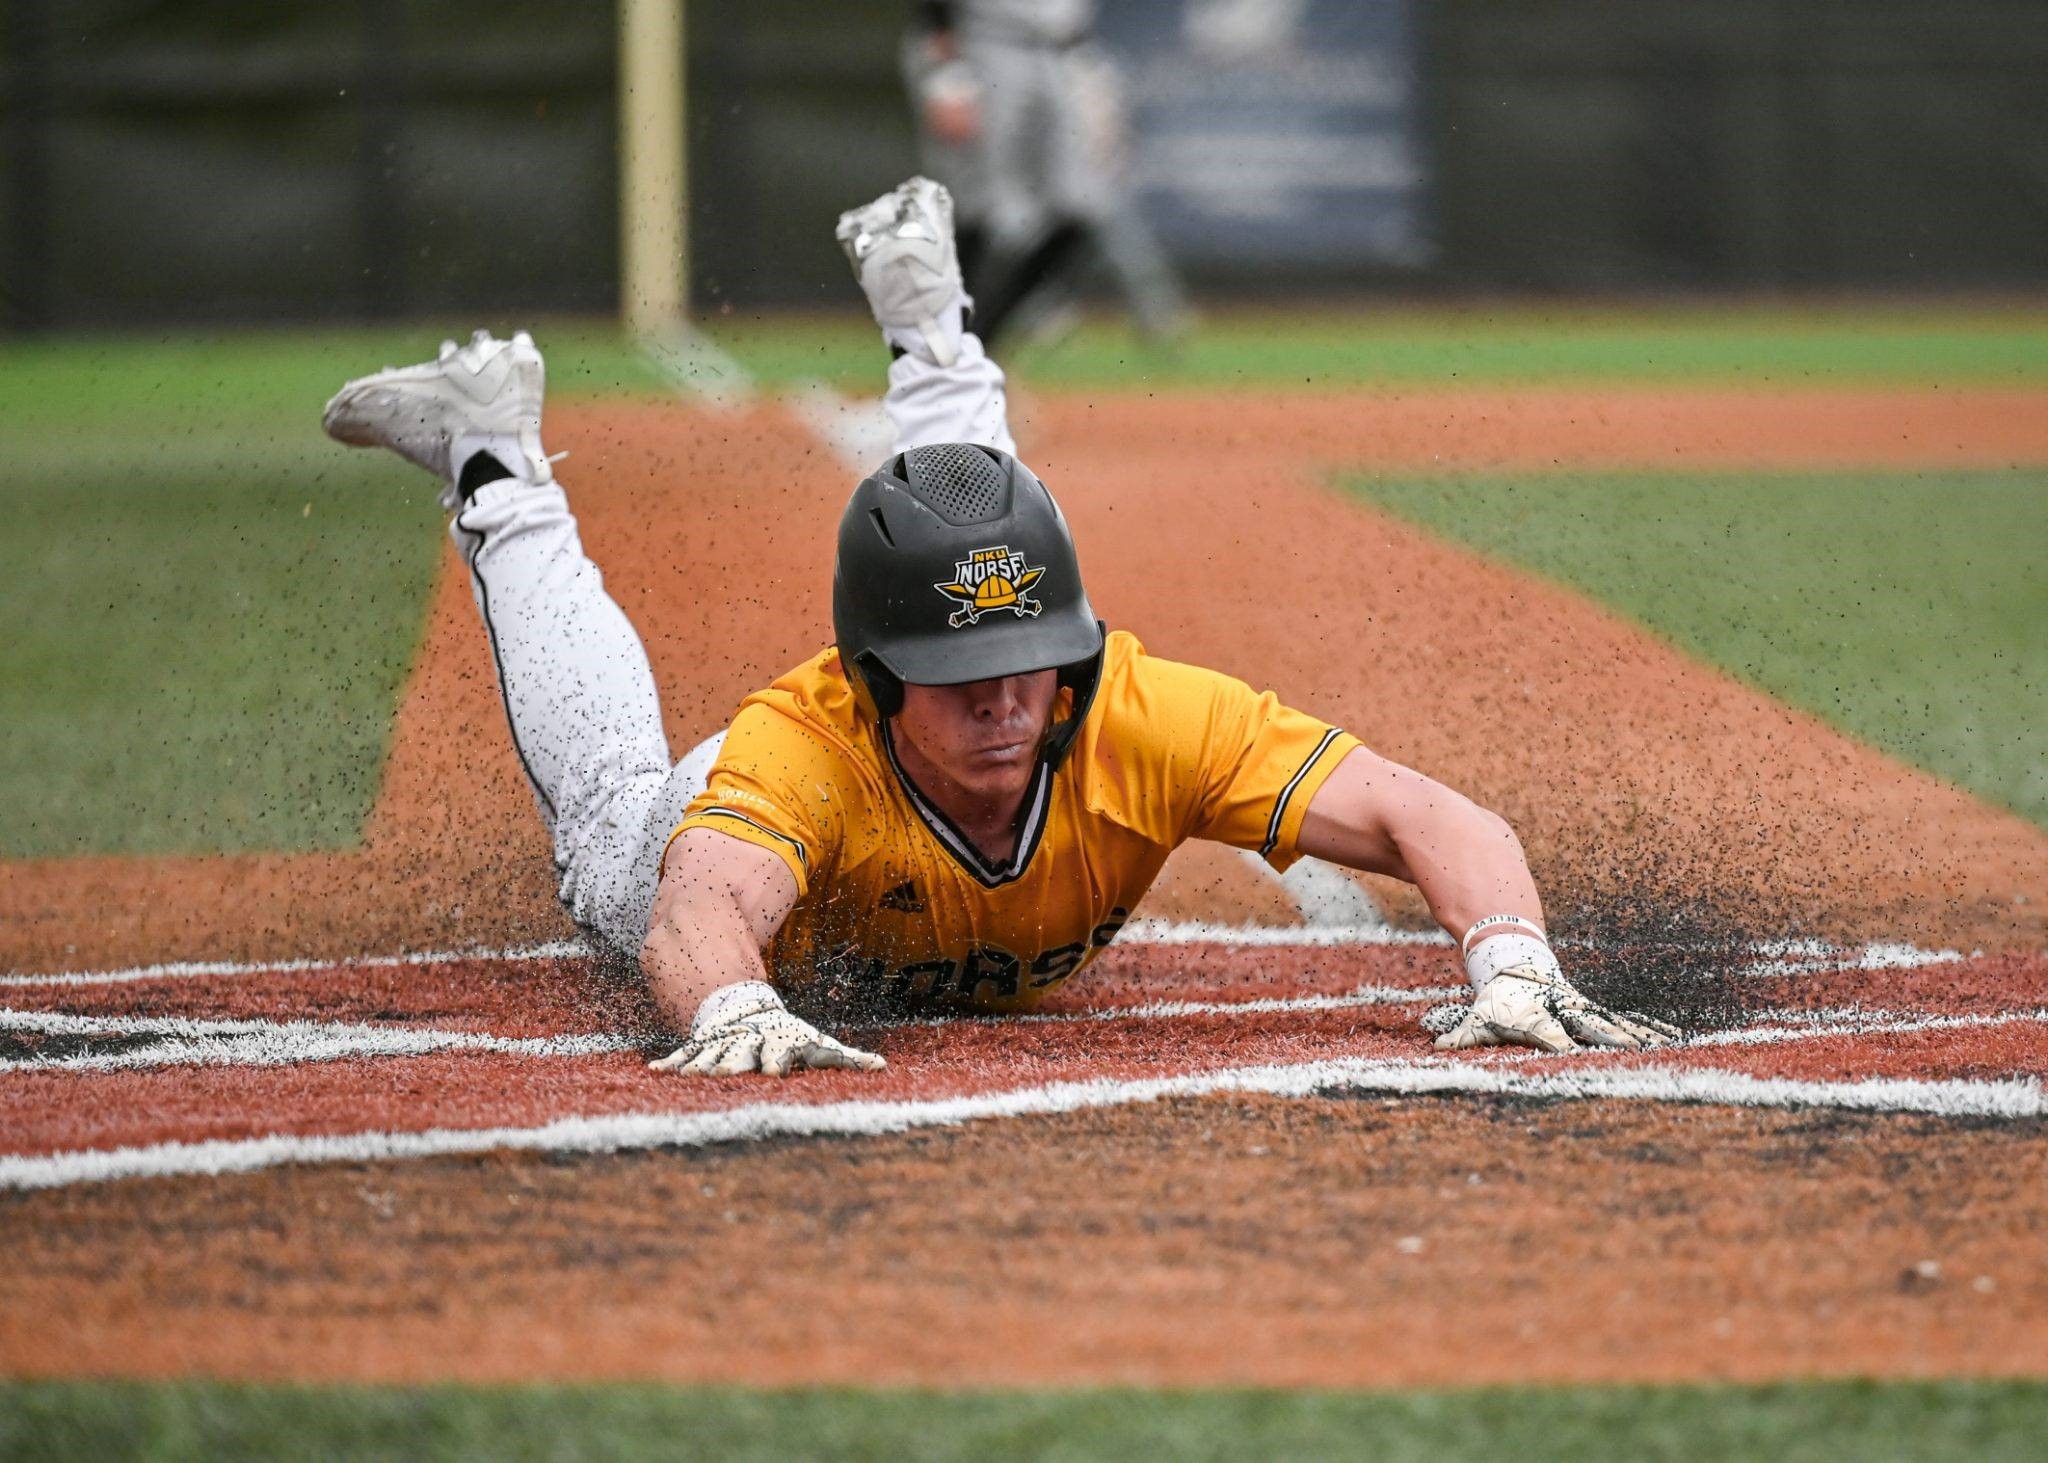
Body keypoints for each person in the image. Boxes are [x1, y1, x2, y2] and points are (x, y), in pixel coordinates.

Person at [321, 177, 1675, 1078]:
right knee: (612, 845)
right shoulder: (806, 749)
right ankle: (498, 465)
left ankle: (933, 327)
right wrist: (734, 1003)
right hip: (706, 813)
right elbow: (699, 908)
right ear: (872, 684)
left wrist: (1510, 956)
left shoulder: (1132, 710)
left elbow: (1430, 815)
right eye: (957, 677)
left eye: (1032, 665)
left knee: (986, 550)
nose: (1004, 701)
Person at [902, 0, 1188, 348]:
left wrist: (1090, 76)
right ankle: (938, 363)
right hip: (983, 48)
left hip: (1063, 53)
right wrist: (947, 78)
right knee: (985, 211)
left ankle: (975, 351)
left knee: (1085, 207)